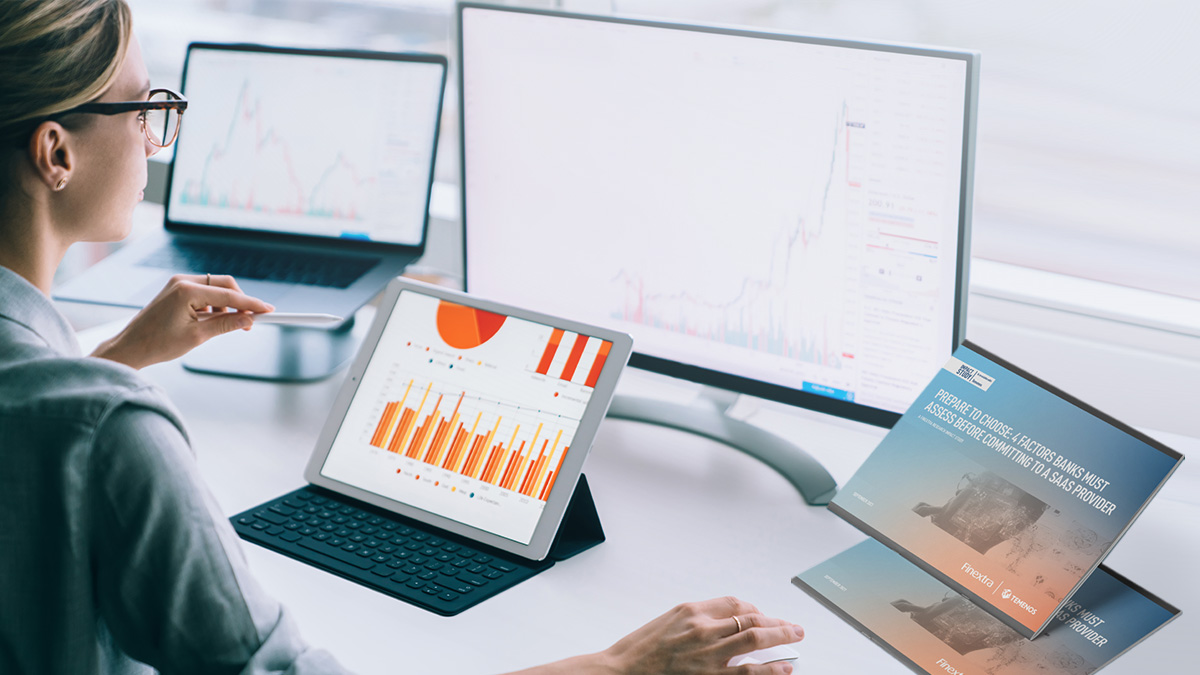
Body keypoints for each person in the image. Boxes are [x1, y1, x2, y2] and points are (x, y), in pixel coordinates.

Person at [0, 2, 804, 673]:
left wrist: (115, 359)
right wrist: (622, 665)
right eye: (143, 107)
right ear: (56, 152)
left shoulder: (63, 397)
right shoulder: (110, 431)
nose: (153, 132)